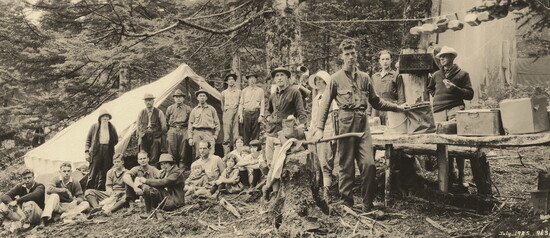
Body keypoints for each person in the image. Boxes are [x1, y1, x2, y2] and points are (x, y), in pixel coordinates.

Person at [313, 39, 405, 212]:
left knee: (369, 164)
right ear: (342, 57)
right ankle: (347, 204)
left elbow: (376, 101)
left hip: (363, 126)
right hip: (345, 124)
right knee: (346, 166)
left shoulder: (364, 78)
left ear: (356, 55)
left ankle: (367, 204)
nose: (350, 57)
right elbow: (324, 105)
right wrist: (319, 129)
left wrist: (397, 107)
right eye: (347, 54)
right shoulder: (335, 79)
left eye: (352, 53)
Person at [427, 46, 474, 186]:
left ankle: (461, 177)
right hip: (439, 112)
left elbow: (470, 94)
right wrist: (437, 97)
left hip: (455, 109)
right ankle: (448, 176)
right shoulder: (436, 75)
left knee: (457, 143)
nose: (441, 59)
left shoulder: (462, 74)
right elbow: (430, 88)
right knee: (442, 143)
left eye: (444, 56)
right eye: (440, 57)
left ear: (452, 58)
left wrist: (454, 88)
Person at [264, 67, 308, 176]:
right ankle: (273, 190)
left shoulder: (294, 92)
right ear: (274, 79)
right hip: (272, 132)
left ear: (287, 78)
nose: (279, 78)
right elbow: (267, 110)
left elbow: (301, 111)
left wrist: (303, 126)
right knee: (267, 163)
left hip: (286, 133)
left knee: (278, 164)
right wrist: (268, 117)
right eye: (277, 76)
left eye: (282, 75)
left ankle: (269, 188)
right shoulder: (273, 96)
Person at [308, 71, 339, 202]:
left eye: (321, 80)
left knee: (326, 160)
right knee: (315, 161)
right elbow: (314, 118)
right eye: (317, 80)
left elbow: (334, 117)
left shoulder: (332, 98)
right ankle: (317, 188)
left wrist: (333, 133)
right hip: (315, 132)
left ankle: (327, 191)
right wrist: (311, 131)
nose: (318, 82)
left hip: (328, 131)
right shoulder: (316, 99)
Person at [135, 154, 185, 218]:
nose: (163, 166)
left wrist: (146, 181)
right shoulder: (165, 172)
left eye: (165, 163)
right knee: (147, 188)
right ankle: (148, 212)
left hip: (175, 201)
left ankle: (154, 212)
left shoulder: (176, 172)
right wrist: (157, 177)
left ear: (171, 163)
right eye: (161, 164)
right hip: (168, 198)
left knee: (153, 190)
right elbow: (156, 181)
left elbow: (163, 182)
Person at [85, 109, 119, 190]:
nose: (105, 119)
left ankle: (101, 192)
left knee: (105, 174)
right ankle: (88, 192)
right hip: (96, 151)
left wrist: (109, 145)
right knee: (92, 174)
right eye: (103, 117)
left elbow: (116, 140)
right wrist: (86, 152)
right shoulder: (94, 127)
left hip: (107, 152)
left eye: (107, 117)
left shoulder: (111, 127)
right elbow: (88, 140)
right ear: (100, 118)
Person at [370, 50, 406, 125]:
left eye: (387, 59)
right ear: (379, 61)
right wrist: (368, 114)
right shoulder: (374, 77)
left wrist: (399, 112)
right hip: (376, 111)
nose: (385, 62)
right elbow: (370, 97)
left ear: (391, 60)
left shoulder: (396, 76)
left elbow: (401, 97)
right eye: (382, 59)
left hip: (390, 109)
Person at [137, 93, 168, 165]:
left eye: (150, 100)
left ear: (153, 101)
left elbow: (164, 127)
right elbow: (138, 125)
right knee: (143, 152)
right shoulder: (141, 112)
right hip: (144, 136)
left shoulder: (159, 112)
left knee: (155, 151)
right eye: (146, 100)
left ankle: (153, 166)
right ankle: (144, 166)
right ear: (144, 102)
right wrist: (139, 136)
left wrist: (160, 136)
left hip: (156, 135)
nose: (148, 102)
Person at [188, 89, 220, 157]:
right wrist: (190, 137)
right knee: (198, 153)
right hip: (197, 133)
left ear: (206, 98)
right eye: (200, 96)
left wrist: (215, 135)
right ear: (197, 98)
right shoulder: (194, 110)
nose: (202, 97)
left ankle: (210, 167)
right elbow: (190, 125)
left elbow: (217, 123)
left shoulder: (211, 109)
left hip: (208, 133)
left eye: (203, 96)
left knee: (210, 153)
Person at [165, 89, 192, 169]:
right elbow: (166, 121)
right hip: (173, 129)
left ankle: (182, 162)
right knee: (171, 145)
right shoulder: (170, 108)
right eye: (176, 97)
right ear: (174, 98)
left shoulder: (188, 108)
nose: (178, 98)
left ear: (183, 98)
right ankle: (173, 164)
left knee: (183, 145)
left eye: (180, 97)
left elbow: (191, 121)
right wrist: (168, 131)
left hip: (184, 129)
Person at [238, 74, 265, 145]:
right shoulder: (244, 91)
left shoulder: (260, 90)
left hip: (256, 113)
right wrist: (240, 115)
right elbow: (241, 103)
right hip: (246, 113)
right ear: (248, 80)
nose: (252, 80)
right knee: (246, 132)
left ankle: (255, 148)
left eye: (253, 78)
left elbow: (262, 103)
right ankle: (246, 148)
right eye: (250, 78)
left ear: (256, 79)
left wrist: (261, 115)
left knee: (255, 132)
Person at [221, 73, 241, 155]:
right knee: (226, 135)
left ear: (235, 81)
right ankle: (227, 154)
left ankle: (237, 153)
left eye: (232, 79)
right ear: (227, 82)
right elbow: (222, 105)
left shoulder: (239, 92)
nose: (231, 81)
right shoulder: (224, 93)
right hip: (227, 112)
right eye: (229, 79)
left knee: (236, 134)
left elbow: (241, 103)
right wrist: (226, 113)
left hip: (236, 111)